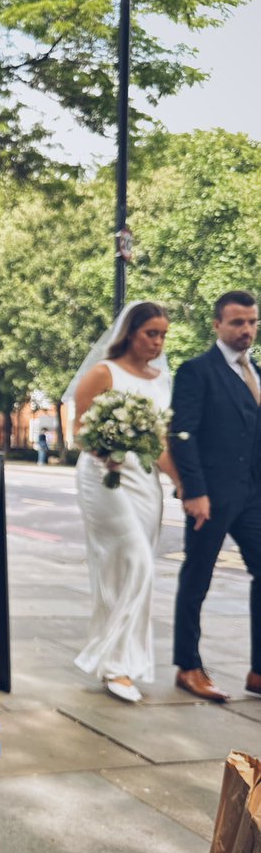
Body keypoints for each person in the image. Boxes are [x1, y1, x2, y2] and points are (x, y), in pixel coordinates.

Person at [69, 302, 175, 703]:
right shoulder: (103, 373)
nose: (158, 342)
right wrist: (108, 445)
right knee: (136, 561)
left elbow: (161, 443)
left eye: (163, 334)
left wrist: (184, 484)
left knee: (131, 566)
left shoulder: (161, 378)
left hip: (145, 481)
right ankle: (113, 664)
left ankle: (125, 661)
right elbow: (78, 432)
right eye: (151, 333)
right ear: (130, 332)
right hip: (104, 475)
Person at [169, 290, 261, 702]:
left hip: (252, 495)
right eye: (238, 322)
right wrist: (195, 491)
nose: (247, 330)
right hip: (211, 496)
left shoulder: (254, 371)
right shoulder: (196, 370)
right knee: (197, 579)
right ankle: (188, 666)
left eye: (252, 322)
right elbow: (182, 434)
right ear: (218, 325)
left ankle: (259, 671)